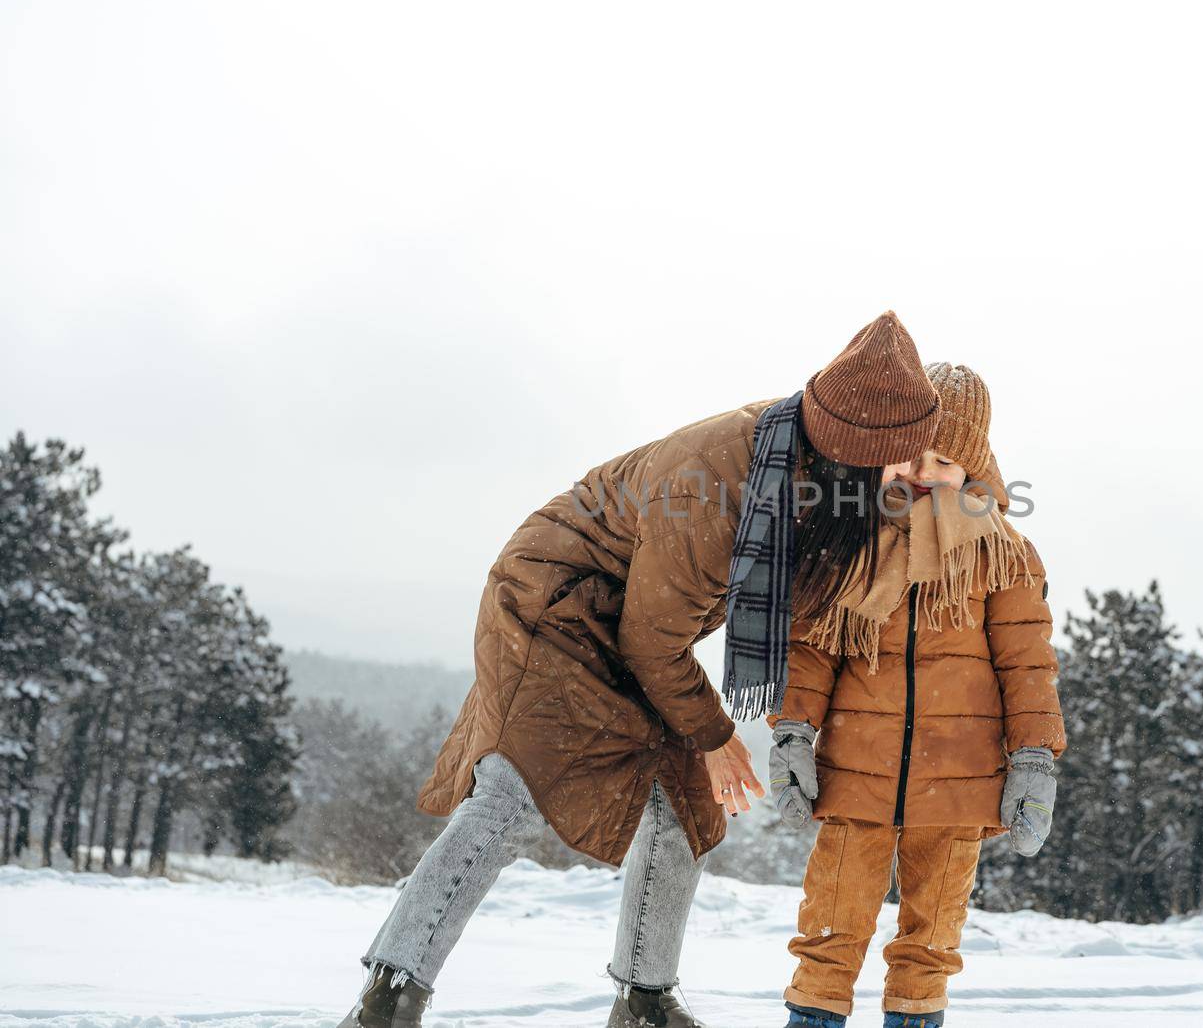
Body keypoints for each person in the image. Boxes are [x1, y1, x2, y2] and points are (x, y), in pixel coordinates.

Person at [336, 312, 943, 1028]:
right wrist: (717, 736)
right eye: (907, 459)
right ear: (859, 452)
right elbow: (654, 640)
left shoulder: (816, 479)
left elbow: (808, 604)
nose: (920, 472)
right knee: (510, 793)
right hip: (555, 603)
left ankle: (644, 1000)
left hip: (636, 621)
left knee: (685, 804)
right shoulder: (714, 484)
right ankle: (389, 993)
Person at [767, 363, 1067, 1028]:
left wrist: (1034, 757)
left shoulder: (1004, 554)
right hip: (855, 768)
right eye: (911, 453)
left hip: (959, 779)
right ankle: (813, 1018)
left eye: (945, 458)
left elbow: (1027, 665)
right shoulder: (854, 543)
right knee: (831, 919)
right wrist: (793, 729)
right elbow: (814, 646)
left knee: (932, 933)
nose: (924, 470)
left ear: (974, 464)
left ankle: (915, 1017)